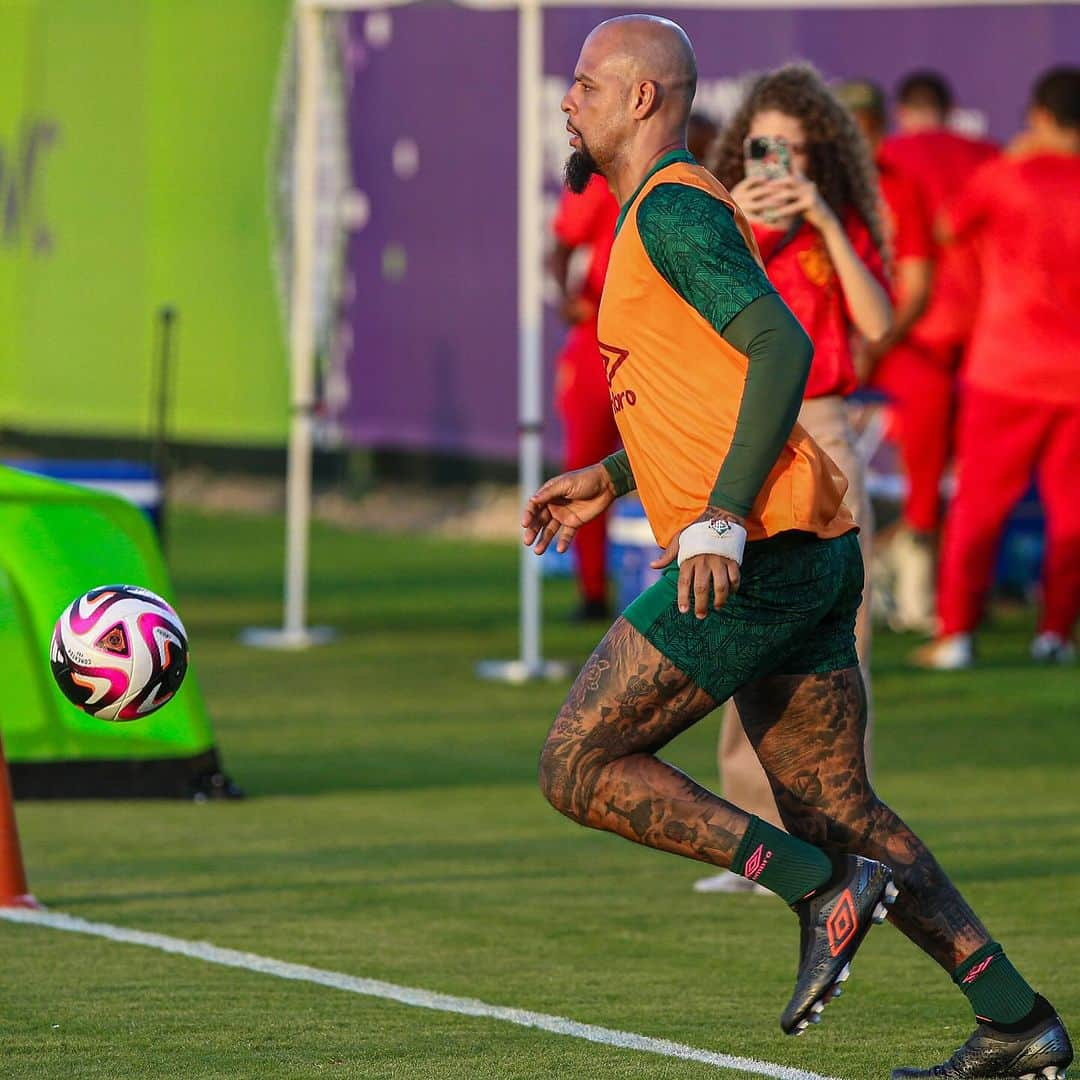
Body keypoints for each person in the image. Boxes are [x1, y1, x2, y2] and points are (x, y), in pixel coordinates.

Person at [524, 16, 1072, 1077]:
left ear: (643, 97)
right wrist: (610, 476)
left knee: (577, 763)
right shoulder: (664, 208)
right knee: (841, 805)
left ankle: (814, 885)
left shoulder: (673, 210)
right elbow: (716, 388)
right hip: (809, 544)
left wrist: (719, 517)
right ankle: (1017, 1021)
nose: (568, 100)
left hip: (760, 549)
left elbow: (786, 346)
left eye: (586, 82)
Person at [694, 63, 891, 894]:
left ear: (823, 155)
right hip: (745, 432)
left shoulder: (833, 220)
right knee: (742, 634)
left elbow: (879, 326)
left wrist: (826, 223)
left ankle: (848, 834)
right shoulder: (719, 218)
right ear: (746, 145)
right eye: (768, 146)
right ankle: (761, 844)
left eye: (800, 150)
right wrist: (738, 212)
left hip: (825, 427)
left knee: (844, 641)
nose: (784, 163)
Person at [914, 67, 1080, 671]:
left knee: (978, 506)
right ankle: (1056, 633)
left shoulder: (1006, 177)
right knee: (1073, 512)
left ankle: (956, 633)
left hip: (1005, 369)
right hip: (1072, 378)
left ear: (1038, 114)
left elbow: (945, 226)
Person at [875, 73, 999, 631]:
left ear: (902, 110)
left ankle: (915, 593)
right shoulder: (991, 157)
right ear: (950, 109)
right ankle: (951, 596)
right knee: (978, 480)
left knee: (922, 472)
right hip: (985, 336)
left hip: (908, 335)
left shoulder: (886, 159)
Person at [838, 79, 938, 634]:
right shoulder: (814, 188)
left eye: (866, 127)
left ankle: (915, 576)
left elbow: (916, 282)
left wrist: (876, 341)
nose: (858, 138)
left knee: (929, 407)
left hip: (894, 339)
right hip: (828, 341)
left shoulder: (902, 188)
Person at [549, 176, 622, 620]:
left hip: (666, 342)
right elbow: (560, 246)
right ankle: (592, 591)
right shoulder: (602, 179)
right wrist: (565, 297)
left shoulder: (693, 177)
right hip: (599, 339)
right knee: (584, 467)